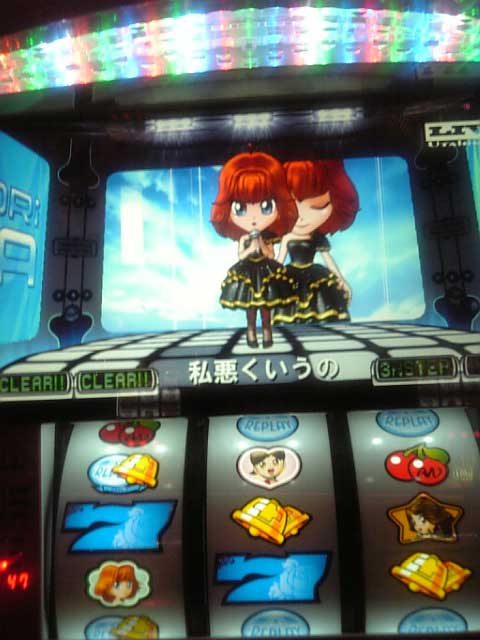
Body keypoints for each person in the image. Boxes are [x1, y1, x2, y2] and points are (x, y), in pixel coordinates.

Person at [211, 151, 298, 347]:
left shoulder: (268, 237)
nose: (253, 218)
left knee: (266, 306)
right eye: (240, 208)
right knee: (250, 307)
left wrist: (261, 243)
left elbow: (271, 255)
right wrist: (251, 247)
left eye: (266, 206)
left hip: (266, 272)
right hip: (248, 273)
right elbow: (241, 256)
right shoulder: (243, 238)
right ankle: (251, 332)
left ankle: (267, 332)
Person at [273, 159, 359, 324]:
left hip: (315, 275)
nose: (302, 218)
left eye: (318, 207)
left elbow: (328, 260)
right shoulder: (287, 237)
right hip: (290, 277)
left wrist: (341, 279)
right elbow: (280, 260)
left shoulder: (317, 237)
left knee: (321, 306)